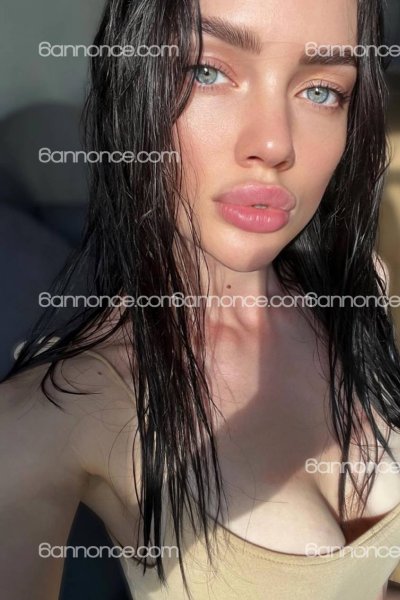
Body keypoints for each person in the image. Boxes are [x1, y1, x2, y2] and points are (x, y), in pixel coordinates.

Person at [2, 0, 400, 598]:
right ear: (130, 84)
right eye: (207, 72)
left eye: (321, 91)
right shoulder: (61, 408)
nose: (274, 144)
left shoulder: (361, 288)